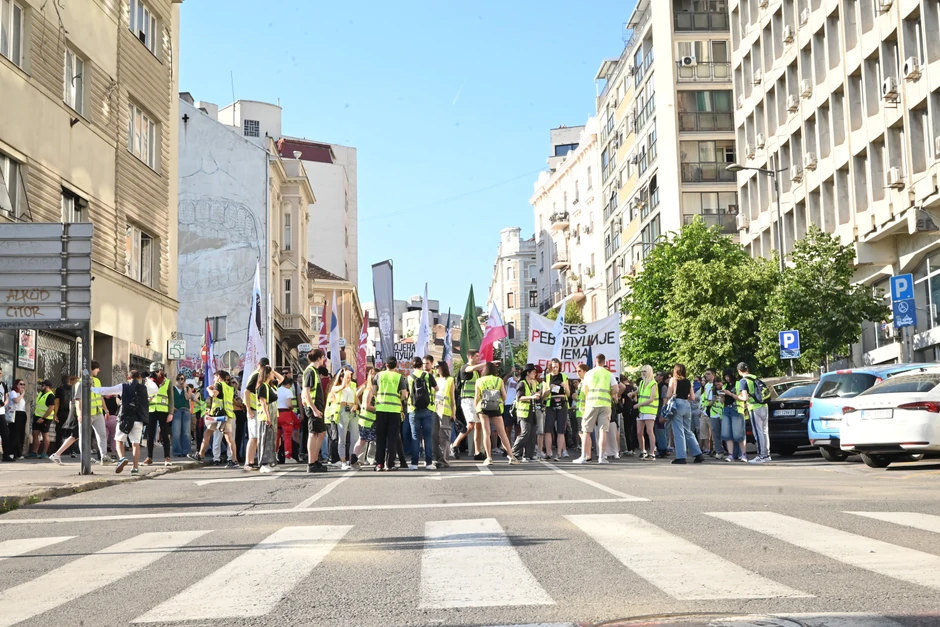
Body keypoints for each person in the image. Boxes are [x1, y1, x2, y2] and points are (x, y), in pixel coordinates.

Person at [92, 370, 155, 475]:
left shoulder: (123, 387)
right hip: (138, 419)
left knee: (119, 441)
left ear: (128, 377)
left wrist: (91, 388)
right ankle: (135, 468)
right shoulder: (144, 388)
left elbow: (106, 390)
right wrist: (148, 379)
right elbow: (155, 389)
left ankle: (122, 458)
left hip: (125, 418)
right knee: (135, 444)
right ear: (139, 378)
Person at [49, 364, 110, 466]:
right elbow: (77, 401)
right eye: (97, 368)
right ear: (91, 370)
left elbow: (99, 397)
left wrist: (105, 410)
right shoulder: (80, 384)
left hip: (95, 412)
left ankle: (100, 456)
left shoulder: (97, 381)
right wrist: (80, 414)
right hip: (83, 415)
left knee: (77, 435)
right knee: (78, 435)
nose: (99, 370)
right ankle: (83, 457)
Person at [188, 370, 240, 468]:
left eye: (215, 377)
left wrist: (208, 389)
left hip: (218, 416)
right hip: (227, 415)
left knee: (208, 435)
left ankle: (201, 455)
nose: (214, 379)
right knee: (229, 439)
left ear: (219, 377)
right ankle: (234, 460)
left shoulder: (219, 384)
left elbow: (213, 394)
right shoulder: (230, 388)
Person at [474, 361, 519, 465]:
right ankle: (511, 456)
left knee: (486, 432)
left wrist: (477, 409)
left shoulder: (479, 380)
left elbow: (477, 398)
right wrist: (499, 401)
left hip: (483, 407)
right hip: (496, 408)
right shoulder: (498, 380)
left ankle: (489, 457)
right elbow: (504, 396)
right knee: (502, 433)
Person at [575, 355, 617, 464]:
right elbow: (616, 389)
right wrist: (609, 393)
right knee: (603, 431)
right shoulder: (609, 374)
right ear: (604, 362)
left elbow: (584, 389)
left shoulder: (589, 373)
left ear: (595, 361)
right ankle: (602, 457)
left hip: (591, 404)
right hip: (605, 404)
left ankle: (583, 457)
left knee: (586, 430)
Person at [373, 357, 408, 472]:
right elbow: (404, 394)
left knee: (380, 438)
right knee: (392, 438)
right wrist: (399, 399)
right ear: (396, 365)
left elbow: (374, 391)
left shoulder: (378, 376)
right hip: (394, 410)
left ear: (386, 364)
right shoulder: (399, 377)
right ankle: (390, 464)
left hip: (381, 409)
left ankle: (379, 464)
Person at [666, 364, 703, 465]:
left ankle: (681, 456)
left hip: (677, 404)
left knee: (678, 431)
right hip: (687, 405)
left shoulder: (673, 380)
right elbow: (693, 397)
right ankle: (698, 453)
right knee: (688, 430)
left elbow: (669, 394)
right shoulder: (688, 381)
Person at [453, 350, 487, 460]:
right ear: (470, 357)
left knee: (478, 426)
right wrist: (487, 364)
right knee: (471, 425)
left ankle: (478, 452)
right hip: (467, 400)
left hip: (476, 401)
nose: (478, 358)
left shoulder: (477, 372)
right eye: (476, 356)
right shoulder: (465, 367)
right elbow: (470, 369)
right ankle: (454, 445)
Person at [406, 357, 437, 470]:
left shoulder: (409, 377)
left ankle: (414, 463)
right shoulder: (428, 376)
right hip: (428, 409)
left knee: (415, 437)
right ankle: (428, 462)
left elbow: (405, 394)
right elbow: (437, 388)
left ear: (413, 366)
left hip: (413, 410)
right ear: (421, 365)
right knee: (427, 437)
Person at [737, 362, 771, 463]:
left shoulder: (743, 381)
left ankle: (761, 456)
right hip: (764, 406)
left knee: (758, 432)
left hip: (754, 407)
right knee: (765, 431)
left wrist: (736, 396)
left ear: (739, 371)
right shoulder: (755, 378)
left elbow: (745, 397)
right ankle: (767, 454)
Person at [302, 349, 329, 473]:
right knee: (313, 433)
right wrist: (314, 409)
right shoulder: (310, 371)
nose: (324, 359)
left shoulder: (314, 371)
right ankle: (311, 463)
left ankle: (315, 460)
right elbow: (306, 391)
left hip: (316, 406)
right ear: (319, 358)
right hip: (313, 407)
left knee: (321, 433)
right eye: (323, 357)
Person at [540, 358, 570, 461]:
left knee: (561, 429)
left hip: (562, 403)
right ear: (550, 367)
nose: (555, 369)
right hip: (550, 403)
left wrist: (565, 387)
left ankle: (559, 453)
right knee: (548, 429)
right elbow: (543, 395)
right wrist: (549, 389)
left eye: (557, 367)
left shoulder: (564, 376)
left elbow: (569, 394)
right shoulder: (547, 377)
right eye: (553, 367)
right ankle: (548, 453)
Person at [144, 362, 172, 467]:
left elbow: (171, 398)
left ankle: (167, 457)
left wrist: (171, 413)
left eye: (157, 371)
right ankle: (149, 457)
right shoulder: (148, 382)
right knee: (150, 435)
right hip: (151, 410)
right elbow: (144, 395)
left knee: (165, 435)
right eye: (153, 372)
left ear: (161, 371)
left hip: (163, 411)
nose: (155, 373)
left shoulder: (167, 382)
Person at [511, 364, 539, 462]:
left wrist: (540, 393)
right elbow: (519, 398)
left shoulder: (534, 383)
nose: (535, 374)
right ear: (528, 373)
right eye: (533, 372)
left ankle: (528, 455)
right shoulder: (522, 383)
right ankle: (513, 452)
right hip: (523, 413)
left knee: (532, 433)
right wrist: (532, 397)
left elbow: (536, 394)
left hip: (532, 411)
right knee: (525, 433)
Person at [718, 367, 747, 462]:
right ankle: (730, 455)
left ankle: (743, 454)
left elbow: (742, 398)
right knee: (727, 434)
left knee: (738, 434)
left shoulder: (739, 384)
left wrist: (730, 394)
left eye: (728, 376)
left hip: (736, 409)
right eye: (725, 376)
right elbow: (722, 402)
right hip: (726, 409)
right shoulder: (724, 386)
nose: (727, 378)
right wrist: (721, 396)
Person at [353, 366, 378, 467]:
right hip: (367, 420)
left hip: (371, 420)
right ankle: (354, 460)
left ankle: (369, 459)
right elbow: (367, 406)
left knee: (368, 441)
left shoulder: (371, 390)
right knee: (362, 441)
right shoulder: (369, 390)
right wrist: (378, 409)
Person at [26, 380, 56, 459]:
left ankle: (44, 453)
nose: (41, 387)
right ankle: (34, 452)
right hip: (37, 416)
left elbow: (51, 408)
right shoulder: (41, 393)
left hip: (45, 418)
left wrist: (43, 418)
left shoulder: (50, 395)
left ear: (47, 386)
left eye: (42, 385)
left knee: (45, 434)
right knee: (35, 433)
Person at [635, 365, 658, 460]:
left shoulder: (653, 383)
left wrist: (638, 405)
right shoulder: (641, 382)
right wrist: (633, 393)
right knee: (639, 432)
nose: (643, 373)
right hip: (641, 411)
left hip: (650, 410)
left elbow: (651, 398)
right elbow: (639, 391)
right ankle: (643, 450)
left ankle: (652, 452)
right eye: (642, 371)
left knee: (649, 431)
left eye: (645, 371)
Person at [701, 369, 723, 458]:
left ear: (713, 375)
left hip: (717, 411)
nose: (706, 376)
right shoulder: (706, 385)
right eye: (705, 374)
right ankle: (714, 450)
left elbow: (713, 399)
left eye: (708, 374)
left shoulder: (716, 385)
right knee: (712, 431)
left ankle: (717, 449)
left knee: (716, 433)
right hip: (708, 410)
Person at [171, 374, 193, 457]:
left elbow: (188, 398)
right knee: (176, 432)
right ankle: (177, 451)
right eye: (178, 379)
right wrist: (172, 407)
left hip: (186, 410)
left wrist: (184, 388)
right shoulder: (173, 388)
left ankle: (186, 451)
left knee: (186, 432)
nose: (180, 380)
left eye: (182, 379)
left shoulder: (187, 388)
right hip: (177, 410)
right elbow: (170, 398)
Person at [277, 377, 299, 463]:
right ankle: (288, 456)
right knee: (287, 436)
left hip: (277, 414)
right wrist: (292, 408)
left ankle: (275, 454)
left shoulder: (277, 390)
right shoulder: (288, 391)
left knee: (276, 436)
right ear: (289, 384)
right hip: (286, 414)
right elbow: (289, 405)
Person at [9, 379, 28, 460]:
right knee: (14, 433)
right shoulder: (13, 392)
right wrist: (22, 394)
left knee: (21, 434)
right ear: (16, 385)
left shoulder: (20, 394)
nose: (22, 386)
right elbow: (16, 400)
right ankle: (12, 452)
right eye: (21, 384)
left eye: (23, 384)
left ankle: (18, 453)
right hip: (16, 414)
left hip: (22, 414)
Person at [0, 368, 10, 462]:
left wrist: (3, 403)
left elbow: (6, 397)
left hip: (1, 413)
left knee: (5, 434)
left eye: (0, 373)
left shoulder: (3, 384)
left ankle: (6, 455)